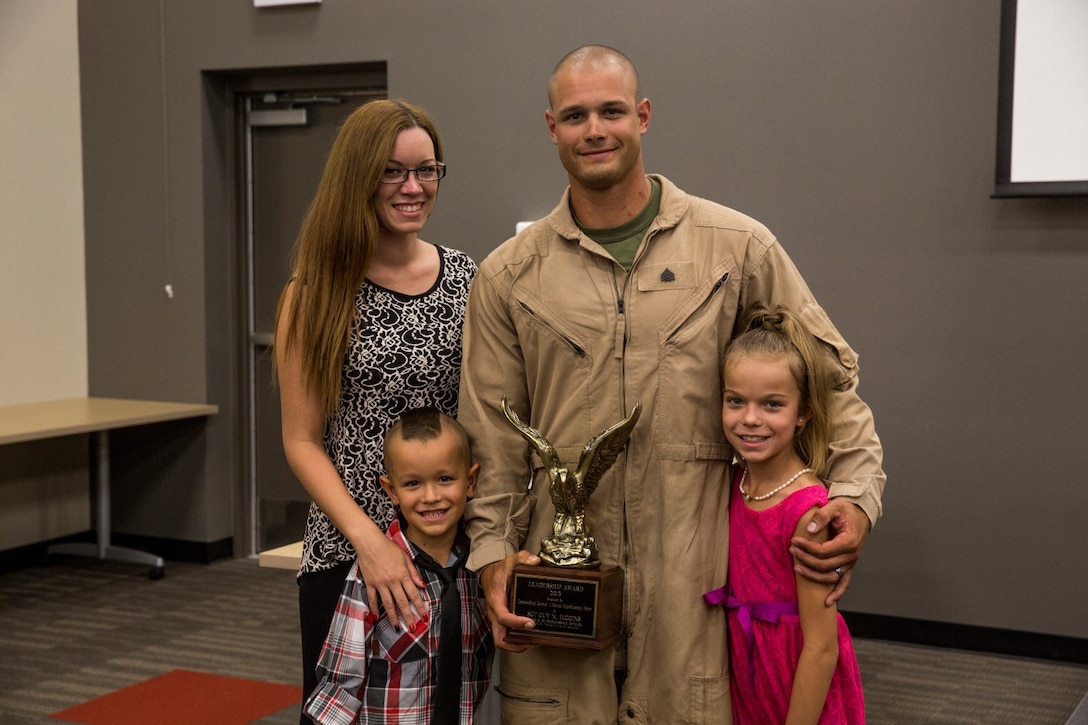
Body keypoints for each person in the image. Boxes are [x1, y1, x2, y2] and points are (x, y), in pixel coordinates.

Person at [457, 44, 884, 723]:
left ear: (644, 116)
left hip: (694, 603)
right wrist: (491, 557)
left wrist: (856, 500)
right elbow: (491, 439)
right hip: (560, 594)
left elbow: (832, 387)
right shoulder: (510, 275)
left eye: (611, 110)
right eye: (574, 115)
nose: (594, 129)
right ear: (550, 127)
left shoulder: (736, 249)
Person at [274, 99, 477, 723]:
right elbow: (302, 441)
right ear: (359, 178)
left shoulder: (469, 279)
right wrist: (370, 541)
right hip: (350, 555)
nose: (413, 187)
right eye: (392, 172)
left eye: (426, 170)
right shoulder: (316, 292)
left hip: (448, 552)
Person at [704, 306, 865, 724]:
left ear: (803, 412)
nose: (750, 419)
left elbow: (821, 648)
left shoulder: (807, 512)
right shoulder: (734, 484)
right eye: (735, 401)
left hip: (795, 682)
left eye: (772, 404)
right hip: (748, 667)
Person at [305, 407, 494, 725]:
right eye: (413, 484)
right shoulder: (370, 578)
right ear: (391, 490)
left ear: (471, 481)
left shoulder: (481, 570)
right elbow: (338, 687)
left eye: (445, 479)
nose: (431, 496)